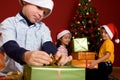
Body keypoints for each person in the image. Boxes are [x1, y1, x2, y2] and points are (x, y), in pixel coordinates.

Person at [0, 0, 72, 74]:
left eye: (44, 13)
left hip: (36, 75)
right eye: (39, 7)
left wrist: (57, 54)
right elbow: (9, 45)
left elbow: (48, 45)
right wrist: (25, 55)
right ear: (25, 2)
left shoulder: (43, 28)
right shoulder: (8, 23)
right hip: (11, 76)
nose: (41, 14)